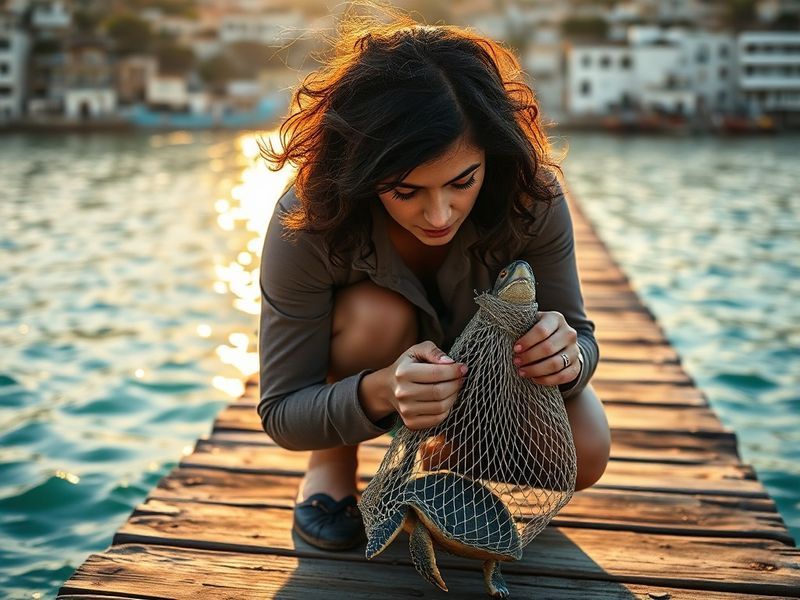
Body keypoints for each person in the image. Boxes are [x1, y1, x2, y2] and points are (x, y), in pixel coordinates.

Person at [256, 13, 611, 552]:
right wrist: (382, 390)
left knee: (586, 451)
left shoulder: (530, 196)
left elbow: (581, 336)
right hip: (373, 371)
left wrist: (567, 357)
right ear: (361, 170)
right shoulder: (305, 220)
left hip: (487, 382)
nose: (439, 213)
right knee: (378, 317)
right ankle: (333, 460)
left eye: (461, 181)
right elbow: (282, 411)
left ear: (491, 153)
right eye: (406, 191)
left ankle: (446, 449)